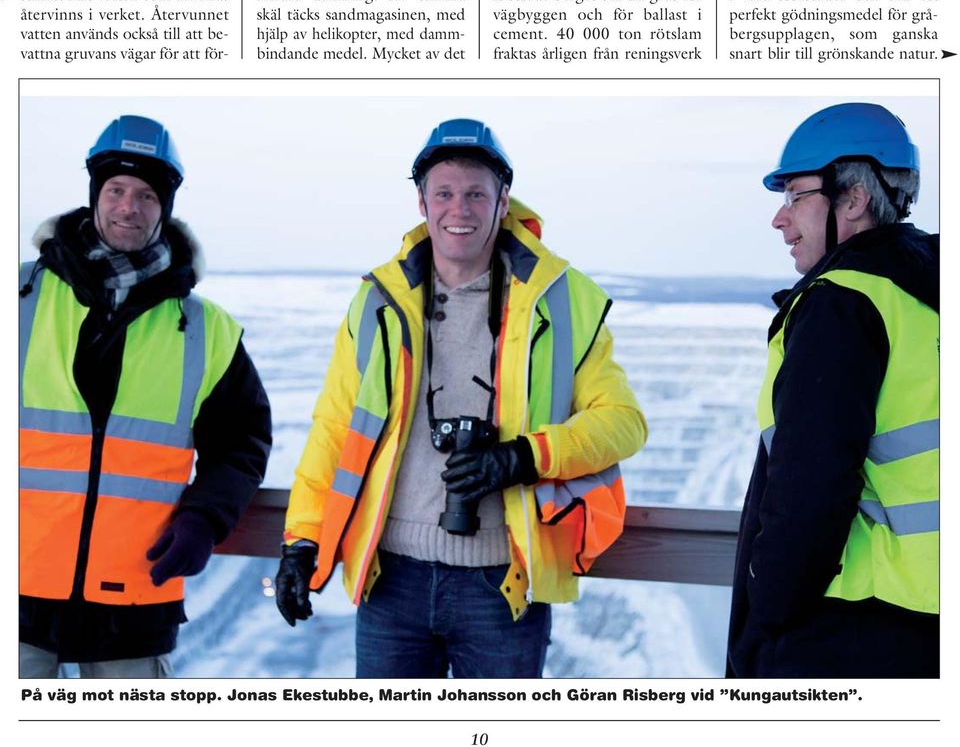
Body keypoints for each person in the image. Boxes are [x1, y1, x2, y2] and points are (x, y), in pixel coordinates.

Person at [276, 118, 646, 678]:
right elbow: (333, 429)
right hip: (390, 579)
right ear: (421, 202)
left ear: (503, 202)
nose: (460, 210)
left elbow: (624, 422)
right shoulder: (377, 303)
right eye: (444, 193)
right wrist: (301, 541)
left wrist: (521, 457)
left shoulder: (563, 300)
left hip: (502, 582)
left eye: (477, 194)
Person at [19, 115, 272, 678]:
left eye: (146, 195)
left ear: (165, 208)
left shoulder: (207, 330)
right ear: (94, 196)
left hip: (134, 593)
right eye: (116, 190)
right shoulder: (19, 298)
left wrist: (205, 518)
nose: (129, 207)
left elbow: (242, 442)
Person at [727, 103, 939, 678]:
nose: (780, 218)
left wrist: (767, 618)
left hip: (856, 625)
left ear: (852, 199)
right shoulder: (927, 288)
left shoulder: (844, 302)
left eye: (797, 196)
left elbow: (810, 486)